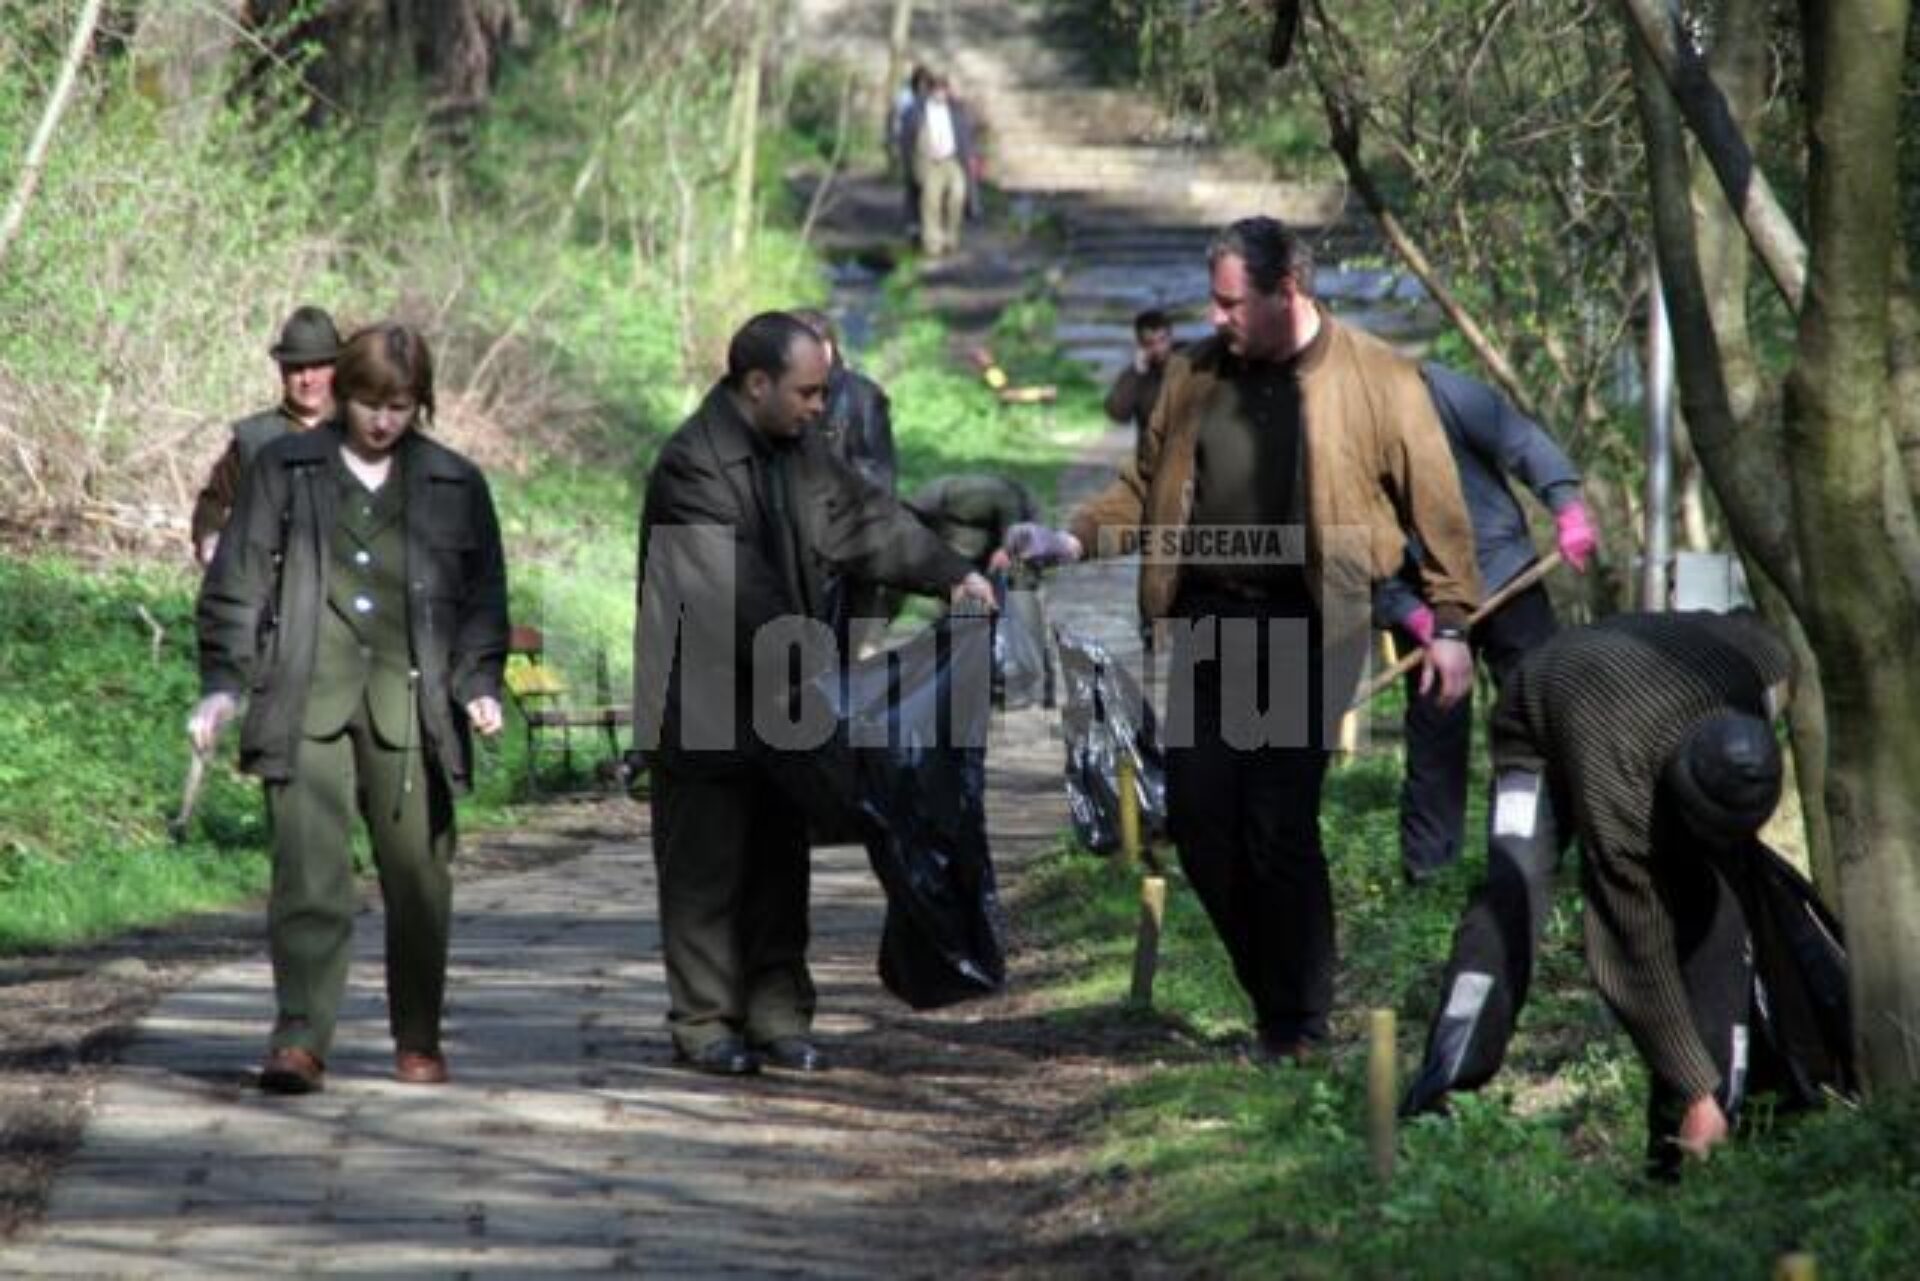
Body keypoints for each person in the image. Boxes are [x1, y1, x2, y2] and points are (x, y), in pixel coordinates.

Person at [1005, 216, 1480, 1060]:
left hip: (1312, 624)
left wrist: (1449, 623)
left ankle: (1297, 1023)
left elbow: (1437, 505)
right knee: (1198, 820)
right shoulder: (1193, 375)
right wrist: (1072, 539)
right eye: (1214, 301)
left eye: (1231, 303)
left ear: (1285, 291)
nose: (1215, 317)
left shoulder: (1376, 377)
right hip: (1208, 620)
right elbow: (1144, 488)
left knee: (1277, 823)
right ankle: (1275, 998)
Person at [632, 311, 994, 1077]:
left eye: (824, 391)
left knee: (778, 860)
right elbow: (733, 592)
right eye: (808, 392)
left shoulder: (801, 451)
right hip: (703, 700)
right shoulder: (691, 466)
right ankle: (704, 1022)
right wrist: (819, 675)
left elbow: (867, 520)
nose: (821, 406)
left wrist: (950, 572)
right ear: (755, 384)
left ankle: (779, 1017)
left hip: (783, 693)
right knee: (705, 870)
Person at [189, 322, 508, 1094]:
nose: (383, 420)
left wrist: (477, 683)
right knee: (308, 875)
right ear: (342, 393)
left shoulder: (455, 481)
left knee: (420, 877)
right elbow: (237, 581)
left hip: (413, 703)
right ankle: (299, 1038)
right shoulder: (284, 466)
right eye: (369, 403)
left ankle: (418, 1034)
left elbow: (483, 598)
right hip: (304, 695)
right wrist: (224, 683)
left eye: (400, 406)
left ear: (420, 403)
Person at [1398, 611, 1804, 1175]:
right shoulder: (1622, 799)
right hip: (1541, 715)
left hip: (1640, 689)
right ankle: (1442, 1088)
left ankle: (1686, 1146)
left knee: (1718, 909)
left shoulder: (1756, 673)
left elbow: (1773, 647)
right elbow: (1630, 955)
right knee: (1515, 891)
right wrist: (1694, 1088)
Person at [1376, 363, 1600, 884]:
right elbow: (1343, 544)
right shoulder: (1327, 438)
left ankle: (1541, 850)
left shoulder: (1438, 388)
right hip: (1419, 594)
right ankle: (1429, 869)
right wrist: (1407, 612)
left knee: (1539, 709)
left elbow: (1521, 441)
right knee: (1435, 727)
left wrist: (1566, 505)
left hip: (1503, 572)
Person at [190, 305, 342, 567]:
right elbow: (213, 502)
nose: (308, 379)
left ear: (337, 368)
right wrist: (211, 541)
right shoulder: (254, 439)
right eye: (297, 368)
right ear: (282, 371)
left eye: (318, 366)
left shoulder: (360, 435)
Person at [791, 307, 899, 657]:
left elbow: (877, 477)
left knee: (846, 650)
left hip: (849, 544)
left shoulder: (862, 398)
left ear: (825, 348)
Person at [901, 74, 977, 258]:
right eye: (937, 89)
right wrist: (912, 164)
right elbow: (906, 141)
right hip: (928, 162)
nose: (941, 93)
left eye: (943, 89)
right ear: (930, 90)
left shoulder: (956, 111)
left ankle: (951, 238)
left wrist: (969, 158)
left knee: (958, 194)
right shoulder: (916, 111)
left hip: (951, 160)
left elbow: (965, 138)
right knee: (931, 201)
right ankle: (932, 244)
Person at [1103, 308, 1179, 472]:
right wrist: (1136, 373)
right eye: (1150, 343)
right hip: (1152, 463)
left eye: (1162, 340)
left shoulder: (1189, 364)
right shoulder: (1137, 374)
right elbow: (1118, 414)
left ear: (1171, 337)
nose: (1158, 348)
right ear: (1140, 344)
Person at [890, 65, 934, 236]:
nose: (923, 88)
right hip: (910, 145)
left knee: (925, 187)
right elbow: (898, 124)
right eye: (921, 84)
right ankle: (912, 223)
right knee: (913, 185)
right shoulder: (906, 99)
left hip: (926, 148)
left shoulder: (931, 102)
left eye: (926, 84)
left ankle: (922, 222)